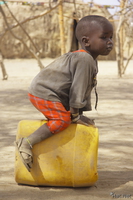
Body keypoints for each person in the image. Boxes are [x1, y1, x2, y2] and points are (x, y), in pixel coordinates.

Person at [15, 15, 113, 172]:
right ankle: (26, 143)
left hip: (52, 92)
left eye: (111, 37)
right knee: (62, 120)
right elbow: (78, 90)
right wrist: (74, 116)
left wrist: (79, 114)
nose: (110, 42)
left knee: (68, 119)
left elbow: (83, 89)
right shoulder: (84, 59)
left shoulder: (89, 59)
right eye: (104, 37)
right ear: (86, 41)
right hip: (43, 92)